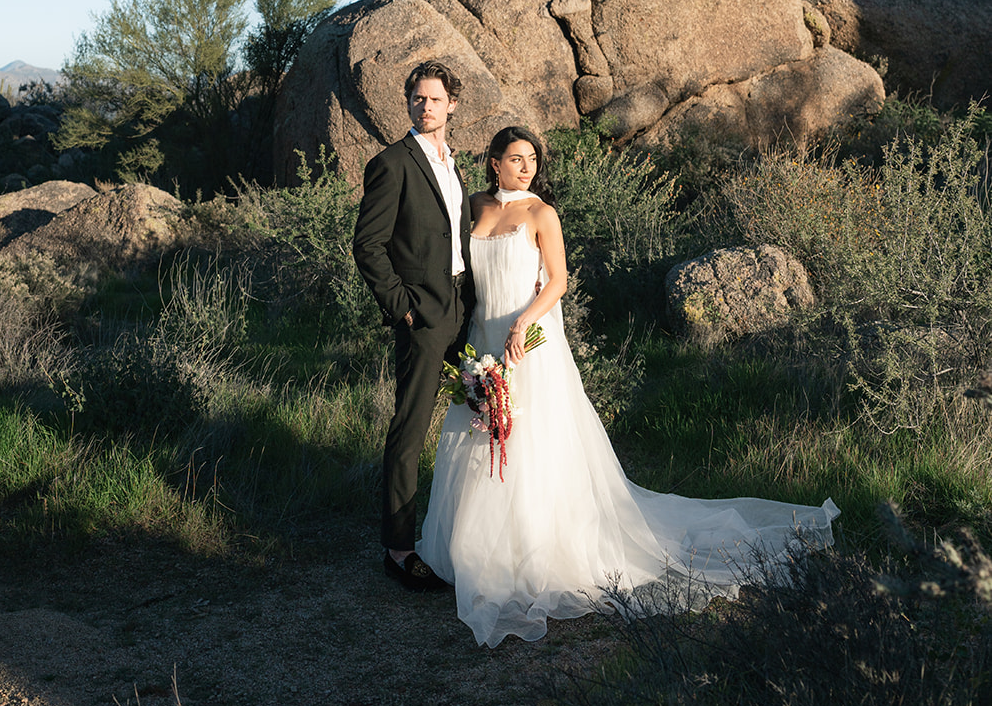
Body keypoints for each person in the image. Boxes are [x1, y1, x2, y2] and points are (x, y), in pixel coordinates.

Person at [418, 126, 839, 647]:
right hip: (482, 336)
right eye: (514, 159)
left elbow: (559, 281)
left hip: (527, 336)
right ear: (493, 161)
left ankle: (535, 550)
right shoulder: (477, 208)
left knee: (531, 441)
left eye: (531, 159)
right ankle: (476, 549)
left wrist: (523, 323)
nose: (525, 168)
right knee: (480, 435)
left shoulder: (541, 214)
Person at [352, 60, 475, 592]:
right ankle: (399, 548)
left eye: (435, 99)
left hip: (463, 308)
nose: (426, 107)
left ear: (452, 105)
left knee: (477, 415)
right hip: (421, 314)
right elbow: (368, 244)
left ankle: (466, 534)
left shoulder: (455, 166)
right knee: (410, 429)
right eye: (417, 99)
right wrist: (401, 305)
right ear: (407, 104)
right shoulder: (392, 163)